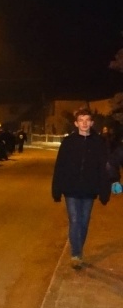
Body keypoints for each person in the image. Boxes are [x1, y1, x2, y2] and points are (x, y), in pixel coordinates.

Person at [51, 108, 111, 269]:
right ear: (76, 123)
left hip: (89, 189)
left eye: (87, 120)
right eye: (81, 120)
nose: (84, 123)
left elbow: (103, 168)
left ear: (91, 123)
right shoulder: (68, 142)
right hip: (70, 189)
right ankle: (75, 254)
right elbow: (60, 167)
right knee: (75, 220)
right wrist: (56, 189)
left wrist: (105, 190)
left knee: (84, 222)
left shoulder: (99, 143)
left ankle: (79, 250)